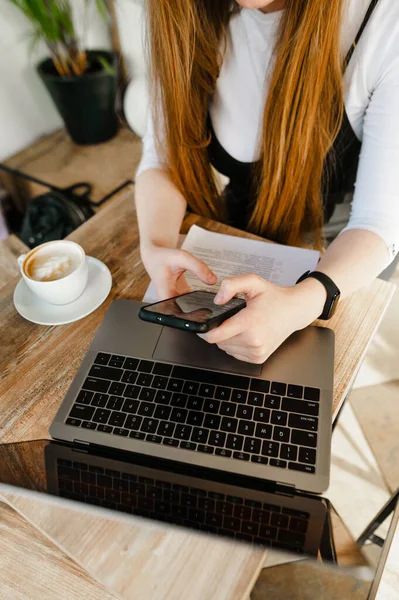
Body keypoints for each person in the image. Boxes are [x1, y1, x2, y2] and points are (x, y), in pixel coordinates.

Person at [135, 0, 399, 364]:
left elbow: (378, 222)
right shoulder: (189, 14)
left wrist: (302, 303)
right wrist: (155, 243)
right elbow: (162, 158)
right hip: (242, 227)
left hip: (343, 253)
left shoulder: (384, 21)